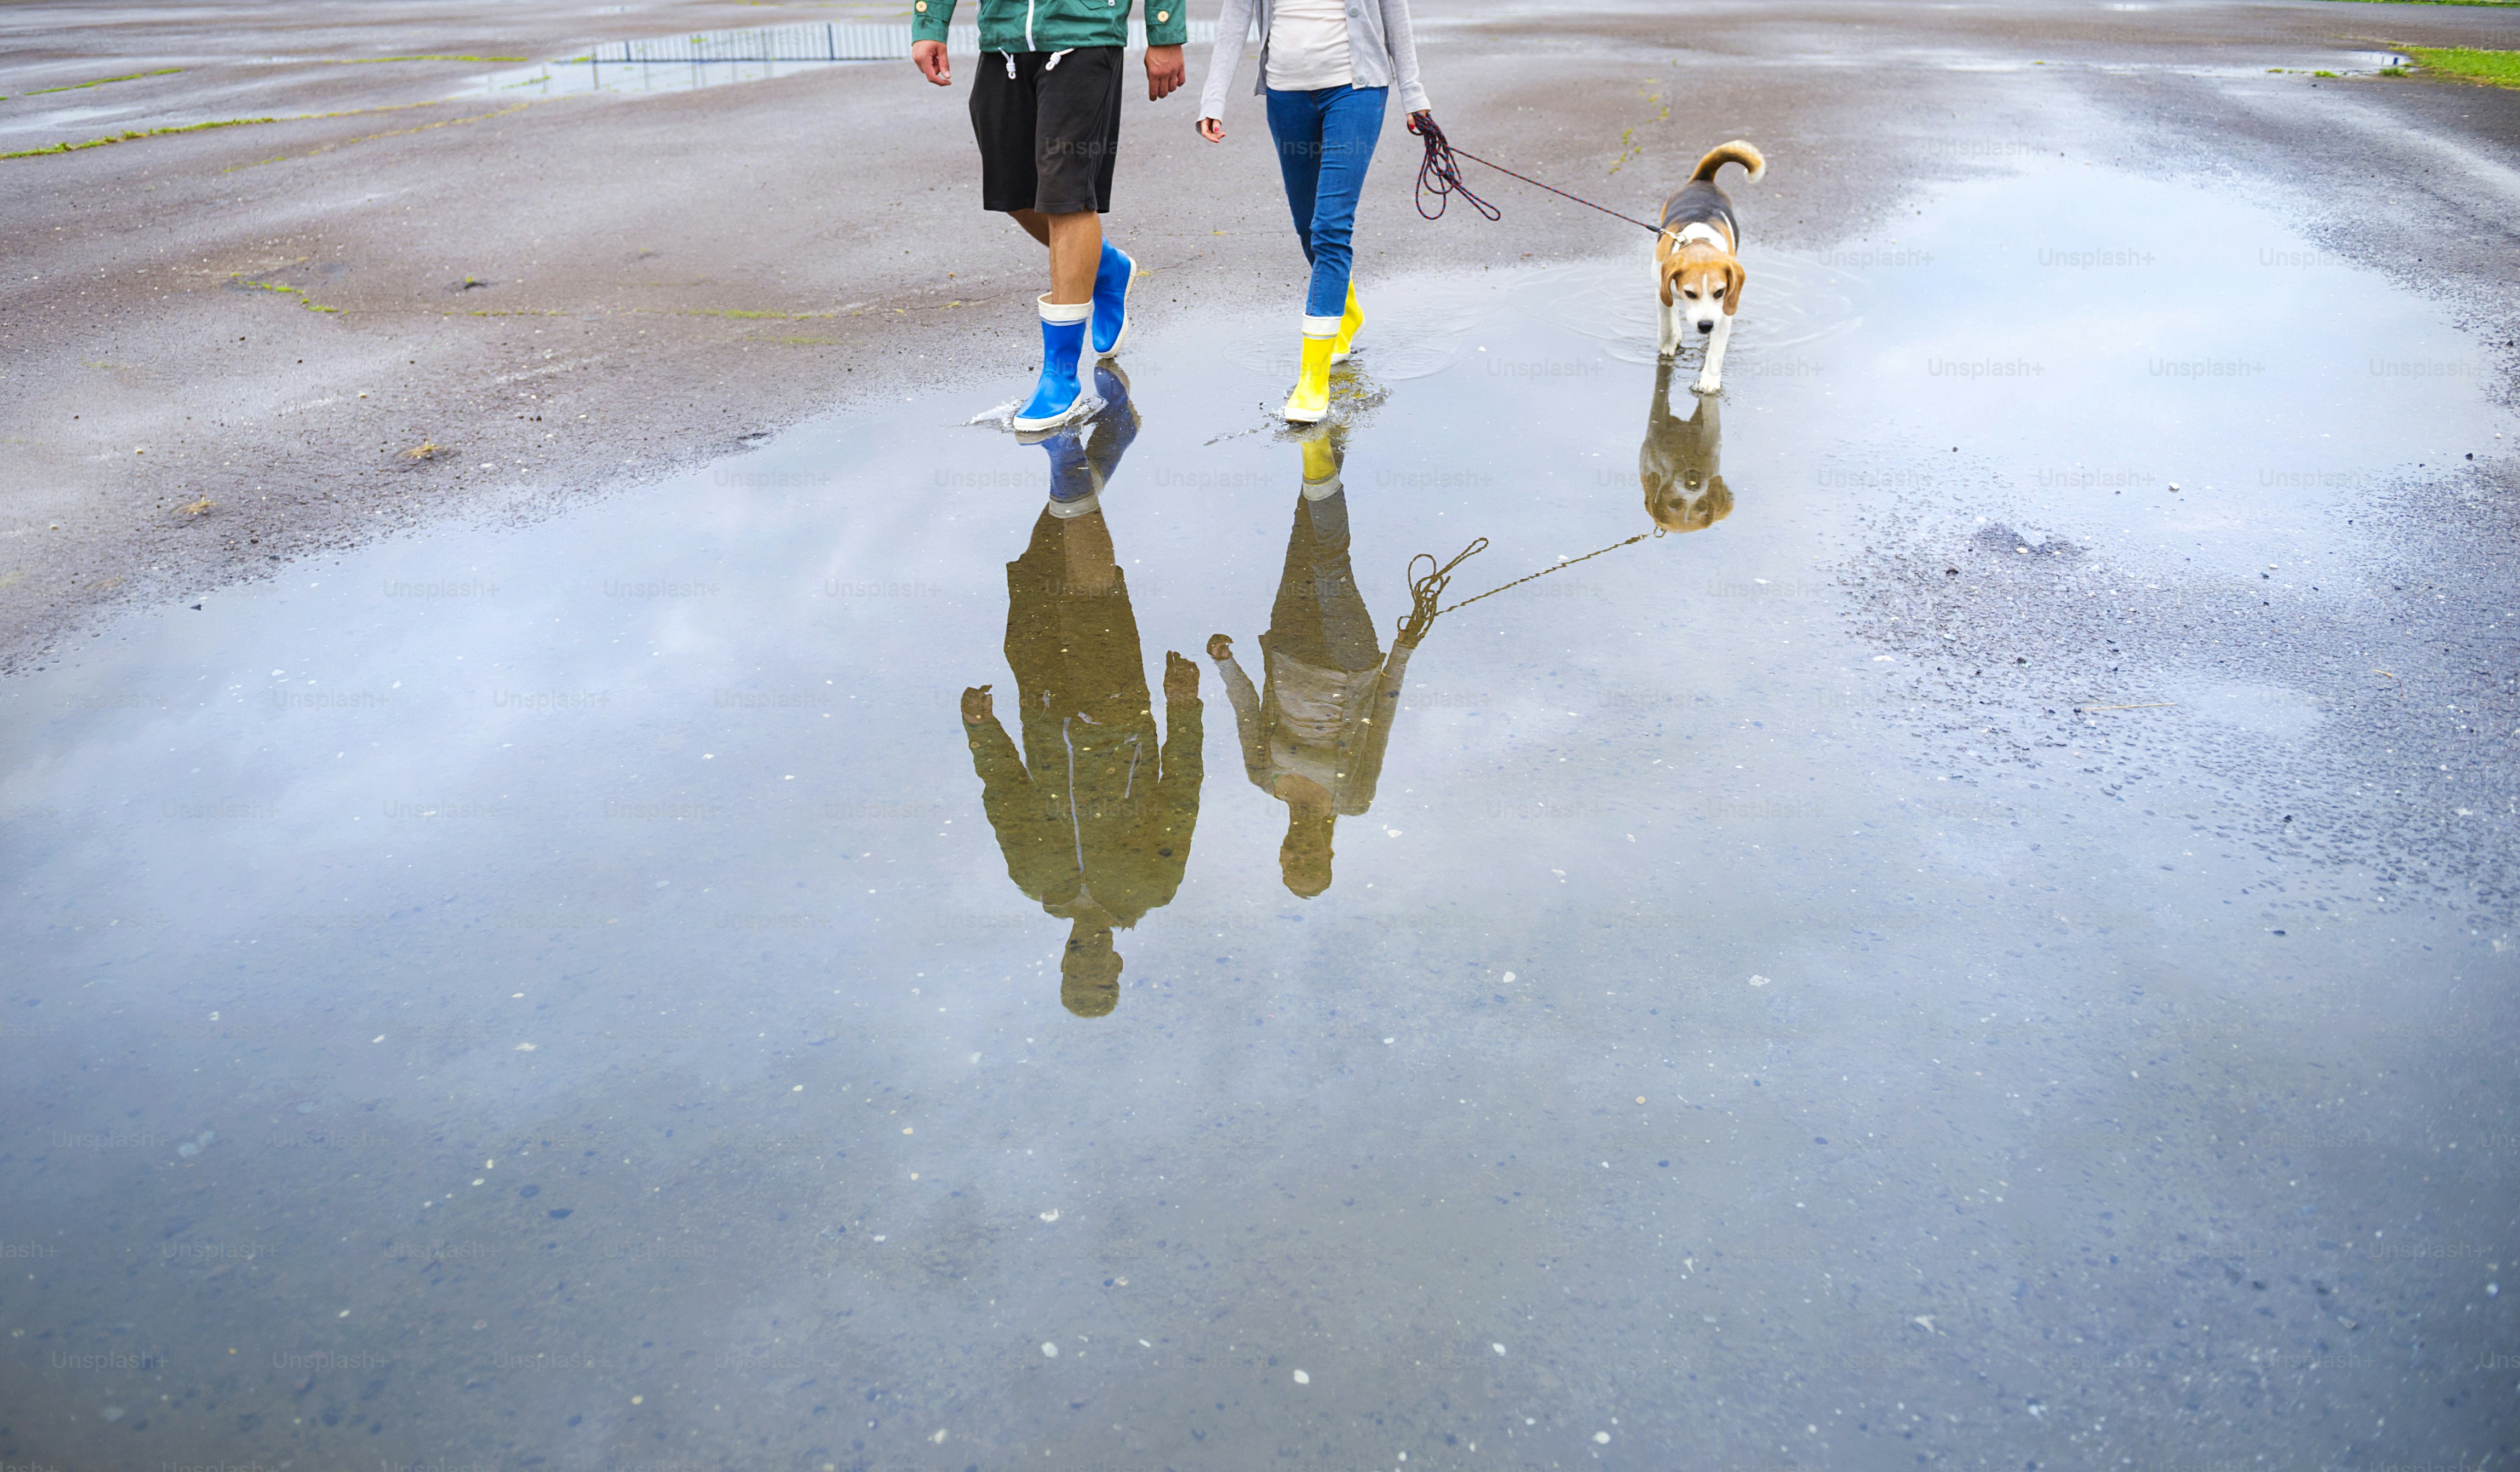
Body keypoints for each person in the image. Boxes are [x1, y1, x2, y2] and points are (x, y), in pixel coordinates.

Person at [961, 368, 1204, 1017]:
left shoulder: (1036, 881)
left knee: (1040, 569)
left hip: (1040, 707)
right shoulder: (1150, 887)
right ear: (1116, 967)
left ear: (1064, 965)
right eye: (1101, 977)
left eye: (1078, 975)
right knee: (1090, 592)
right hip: (1115, 717)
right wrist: (1184, 710)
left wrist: (983, 734)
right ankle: (1069, 450)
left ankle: (1111, 439)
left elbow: (1005, 798)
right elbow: (1181, 795)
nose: (1090, 964)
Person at [913, 0, 1187, 432]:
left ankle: (1060, 376)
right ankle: (1106, 267)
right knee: (1012, 192)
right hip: (1003, 38)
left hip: (1084, 33)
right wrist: (930, 22)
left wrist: (1164, 33)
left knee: (1068, 199)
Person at [1193, 0, 1430, 422]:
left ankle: (1312, 380)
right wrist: (1213, 99)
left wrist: (1413, 93)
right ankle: (1346, 310)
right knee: (1307, 227)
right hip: (1285, 95)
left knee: (1330, 229)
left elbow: (1394, 11)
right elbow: (1234, 17)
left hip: (1356, 91)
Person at [1206, 434, 1417, 897]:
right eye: (1311, 860)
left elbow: (1247, 713)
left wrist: (1225, 664)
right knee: (1329, 564)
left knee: (1301, 544)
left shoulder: (1263, 779)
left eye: (1292, 860)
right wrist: (1401, 653)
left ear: (1281, 854)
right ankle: (1323, 447)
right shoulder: (1353, 799)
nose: (1300, 852)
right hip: (1350, 663)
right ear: (1328, 853)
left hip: (1288, 652)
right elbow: (1380, 723)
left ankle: (1327, 443)